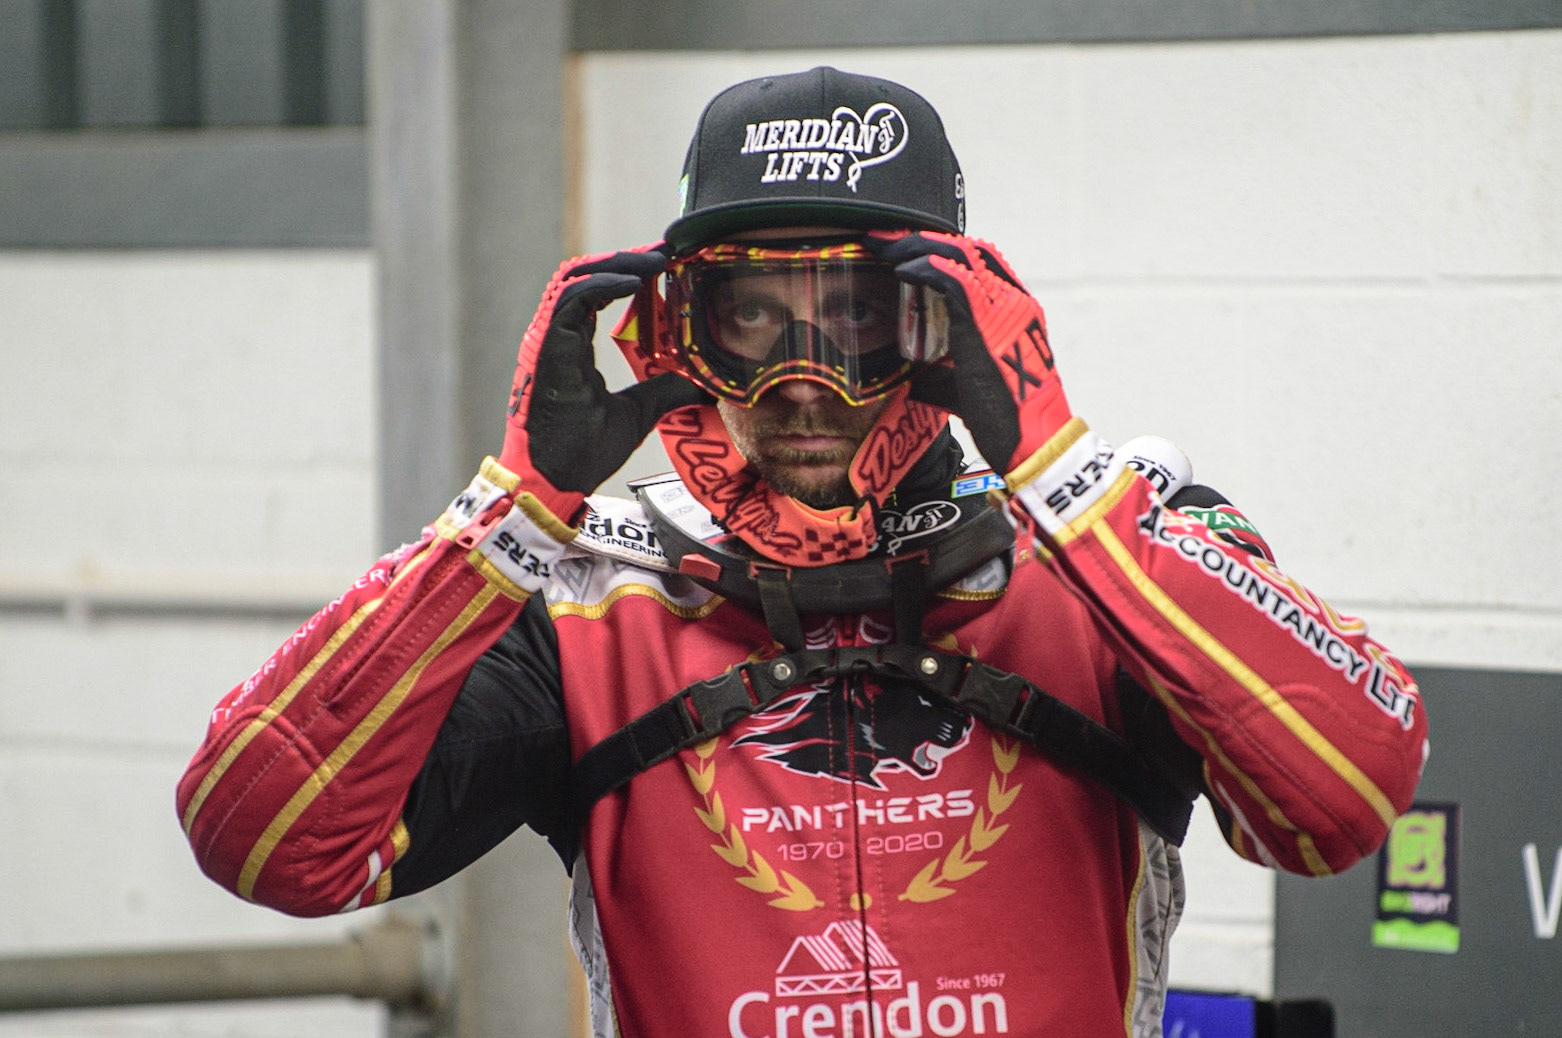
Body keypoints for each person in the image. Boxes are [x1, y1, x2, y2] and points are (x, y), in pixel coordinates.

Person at [178, 67, 1427, 1038]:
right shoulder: (585, 598)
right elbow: (265, 845)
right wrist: (507, 514)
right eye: (753, 320)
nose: (801, 379)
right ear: (681, 333)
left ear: (947, 323)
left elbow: (1338, 809)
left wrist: (1059, 469)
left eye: (854, 320)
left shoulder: (1118, 544)